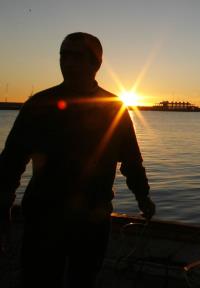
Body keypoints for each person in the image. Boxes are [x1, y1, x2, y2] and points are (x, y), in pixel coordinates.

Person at [0, 32, 156, 288]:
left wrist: (143, 197)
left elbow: (131, 161)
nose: (68, 63)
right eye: (64, 55)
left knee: (82, 280)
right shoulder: (39, 105)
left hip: (92, 220)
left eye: (77, 56)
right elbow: (11, 161)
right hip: (43, 218)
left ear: (95, 64)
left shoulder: (114, 109)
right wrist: (2, 205)